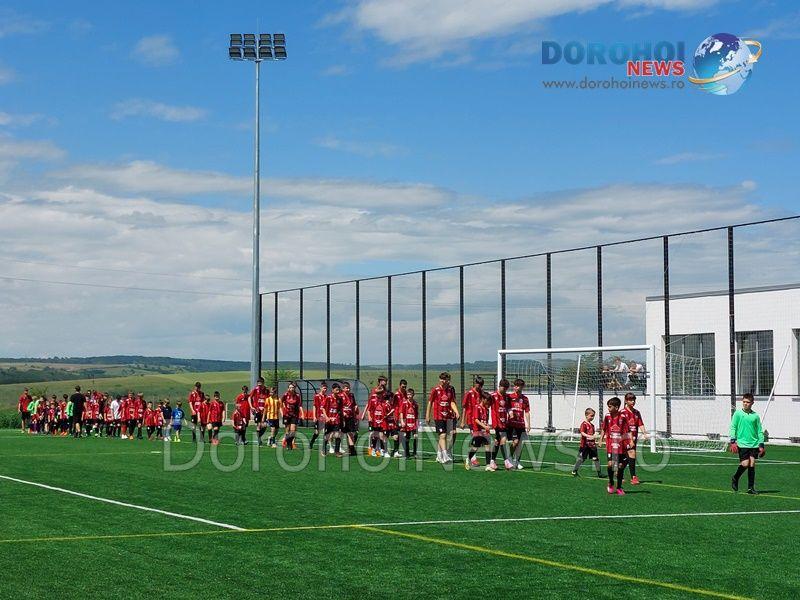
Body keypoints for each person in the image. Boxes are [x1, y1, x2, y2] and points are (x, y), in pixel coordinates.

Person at [729, 393, 765, 495]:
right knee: (745, 464)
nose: (745, 404)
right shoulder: (737, 414)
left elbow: (759, 431)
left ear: (752, 403)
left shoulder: (755, 416)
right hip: (742, 443)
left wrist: (761, 444)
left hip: (754, 444)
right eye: (744, 402)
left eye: (748, 402)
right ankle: (735, 478)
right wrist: (733, 441)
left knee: (752, 464)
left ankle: (751, 488)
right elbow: (733, 427)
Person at [426, 372, 459, 464]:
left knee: (452, 434)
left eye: (446, 379)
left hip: (449, 416)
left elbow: (452, 402)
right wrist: (427, 415)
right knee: (442, 435)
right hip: (439, 416)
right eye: (442, 379)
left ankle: (440, 453)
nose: (444, 381)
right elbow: (430, 402)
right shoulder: (435, 390)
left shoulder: (451, 389)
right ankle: (445, 455)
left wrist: (456, 411)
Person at [601, 397, 631, 495]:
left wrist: (630, 441)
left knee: (620, 466)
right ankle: (611, 482)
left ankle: (619, 487)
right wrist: (601, 439)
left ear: (616, 407)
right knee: (610, 464)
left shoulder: (623, 417)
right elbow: (604, 428)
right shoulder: (607, 416)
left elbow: (627, 430)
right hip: (611, 445)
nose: (608, 408)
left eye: (610, 406)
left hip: (621, 446)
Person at [620, 392, 647, 485]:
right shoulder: (622, 413)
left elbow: (640, 423)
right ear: (626, 401)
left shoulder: (636, 412)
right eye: (630, 400)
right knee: (631, 455)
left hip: (634, 438)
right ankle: (633, 477)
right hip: (625, 438)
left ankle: (619, 471)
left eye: (634, 400)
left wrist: (644, 433)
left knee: (628, 457)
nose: (633, 402)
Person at [466, 392, 494, 471]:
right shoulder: (477, 407)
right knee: (476, 447)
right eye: (487, 400)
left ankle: (488, 465)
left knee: (488, 446)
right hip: (478, 431)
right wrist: (484, 426)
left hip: (485, 431)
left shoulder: (486, 409)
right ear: (483, 399)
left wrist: (487, 426)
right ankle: (468, 459)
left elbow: (485, 420)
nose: (488, 402)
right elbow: (476, 419)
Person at [507, 379, 531, 470]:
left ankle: (517, 461)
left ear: (522, 387)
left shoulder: (525, 399)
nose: (515, 387)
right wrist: (509, 413)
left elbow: (527, 412)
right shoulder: (510, 397)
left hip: (521, 424)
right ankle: (509, 458)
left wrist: (528, 424)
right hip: (512, 424)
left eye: (517, 386)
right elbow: (506, 408)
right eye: (515, 385)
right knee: (515, 442)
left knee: (520, 444)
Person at [572, 408, 602, 478]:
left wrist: (595, 435)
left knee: (596, 458)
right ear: (586, 415)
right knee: (582, 459)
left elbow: (593, 435)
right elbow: (582, 433)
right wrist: (589, 436)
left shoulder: (592, 425)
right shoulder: (584, 424)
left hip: (592, 445)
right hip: (585, 445)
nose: (592, 417)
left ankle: (599, 473)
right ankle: (574, 470)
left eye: (593, 416)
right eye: (591, 416)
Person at [490, 379, 513, 471]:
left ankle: (492, 461)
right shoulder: (493, 396)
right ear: (499, 386)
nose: (504, 390)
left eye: (506, 389)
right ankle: (506, 461)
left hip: (504, 422)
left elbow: (508, 407)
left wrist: (510, 412)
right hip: (496, 422)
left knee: (497, 441)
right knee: (503, 440)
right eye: (503, 388)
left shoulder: (506, 397)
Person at [322, 383, 344, 457]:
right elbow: (323, 408)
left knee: (338, 435)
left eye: (339, 389)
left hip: (337, 420)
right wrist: (326, 417)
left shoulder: (340, 399)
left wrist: (342, 419)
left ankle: (337, 452)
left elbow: (340, 410)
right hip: (329, 421)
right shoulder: (328, 398)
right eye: (336, 389)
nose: (338, 391)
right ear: (332, 390)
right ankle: (324, 449)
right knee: (328, 436)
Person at [281, 382, 302, 449]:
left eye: (292, 387)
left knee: (293, 430)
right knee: (287, 430)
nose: (291, 389)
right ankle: (288, 444)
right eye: (290, 387)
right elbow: (281, 402)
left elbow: (299, 405)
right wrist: (282, 411)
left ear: (295, 388)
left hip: (294, 415)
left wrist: (302, 414)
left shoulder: (297, 395)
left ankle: (289, 442)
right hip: (286, 414)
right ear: (288, 388)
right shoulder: (285, 395)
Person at [398, 387, 419, 458]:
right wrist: (402, 421)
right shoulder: (404, 403)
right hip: (406, 423)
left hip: (413, 423)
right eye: (408, 394)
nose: (409, 396)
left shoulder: (415, 404)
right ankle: (407, 453)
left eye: (410, 394)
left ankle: (415, 453)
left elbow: (416, 414)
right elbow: (401, 412)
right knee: (407, 438)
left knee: (416, 437)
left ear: (413, 395)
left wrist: (417, 422)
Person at [249, 379, 270, 445]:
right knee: (258, 425)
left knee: (265, 425)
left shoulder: (267, 390)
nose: (259, 386)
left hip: (265, 410)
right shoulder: (255, 389)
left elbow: (269, 399)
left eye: (260, 385)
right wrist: (251, 406)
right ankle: (259, 440)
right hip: (257, 410)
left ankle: (259, 437)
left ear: (263, 383)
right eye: (258, 385)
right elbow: (249, 397)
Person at [341, 382, 360, 456]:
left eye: (349, 388)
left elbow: (354, 404)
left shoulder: (351, 395)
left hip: (351, 416)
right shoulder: (340, 396)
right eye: (347, 388)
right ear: (343, 389)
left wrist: (356, 408)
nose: (348, 389)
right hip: (343, 417)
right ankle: (338, 448)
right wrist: (342, 412)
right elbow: (338, 406)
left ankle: (352, 449)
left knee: (351, 433)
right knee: (340, 433)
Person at [309, 381, 329, 451]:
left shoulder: (327, 397)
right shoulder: (317, 396)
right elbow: (314, 406)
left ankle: (324, 446)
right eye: (324, 388)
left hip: (325, 417)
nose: (325, 389)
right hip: (318, 417)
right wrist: (314, 416)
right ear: (320, 388)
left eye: (326, 388)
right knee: (317, 433)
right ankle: (311, 442)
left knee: (326, 432)